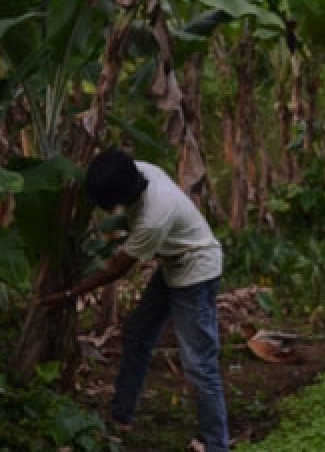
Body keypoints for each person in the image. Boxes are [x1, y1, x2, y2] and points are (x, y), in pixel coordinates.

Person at [40, 149, 229, 452]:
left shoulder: (154, 216)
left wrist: (68, 294)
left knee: (199, 364)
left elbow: (117, 269)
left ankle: (217, 444)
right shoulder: (139, 169)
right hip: (172, 263)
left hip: (196, 270)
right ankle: (120, 417)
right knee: (138, 334)